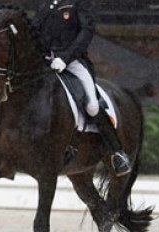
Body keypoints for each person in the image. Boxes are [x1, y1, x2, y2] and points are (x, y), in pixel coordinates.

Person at [32, 0, 131, 176]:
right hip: (44, 62)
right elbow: (35, 30)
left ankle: (117, 152)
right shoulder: (44, 3)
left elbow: (86, 32)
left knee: (92, 106)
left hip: (73, 62)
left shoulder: (79, 3)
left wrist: (65, 58)